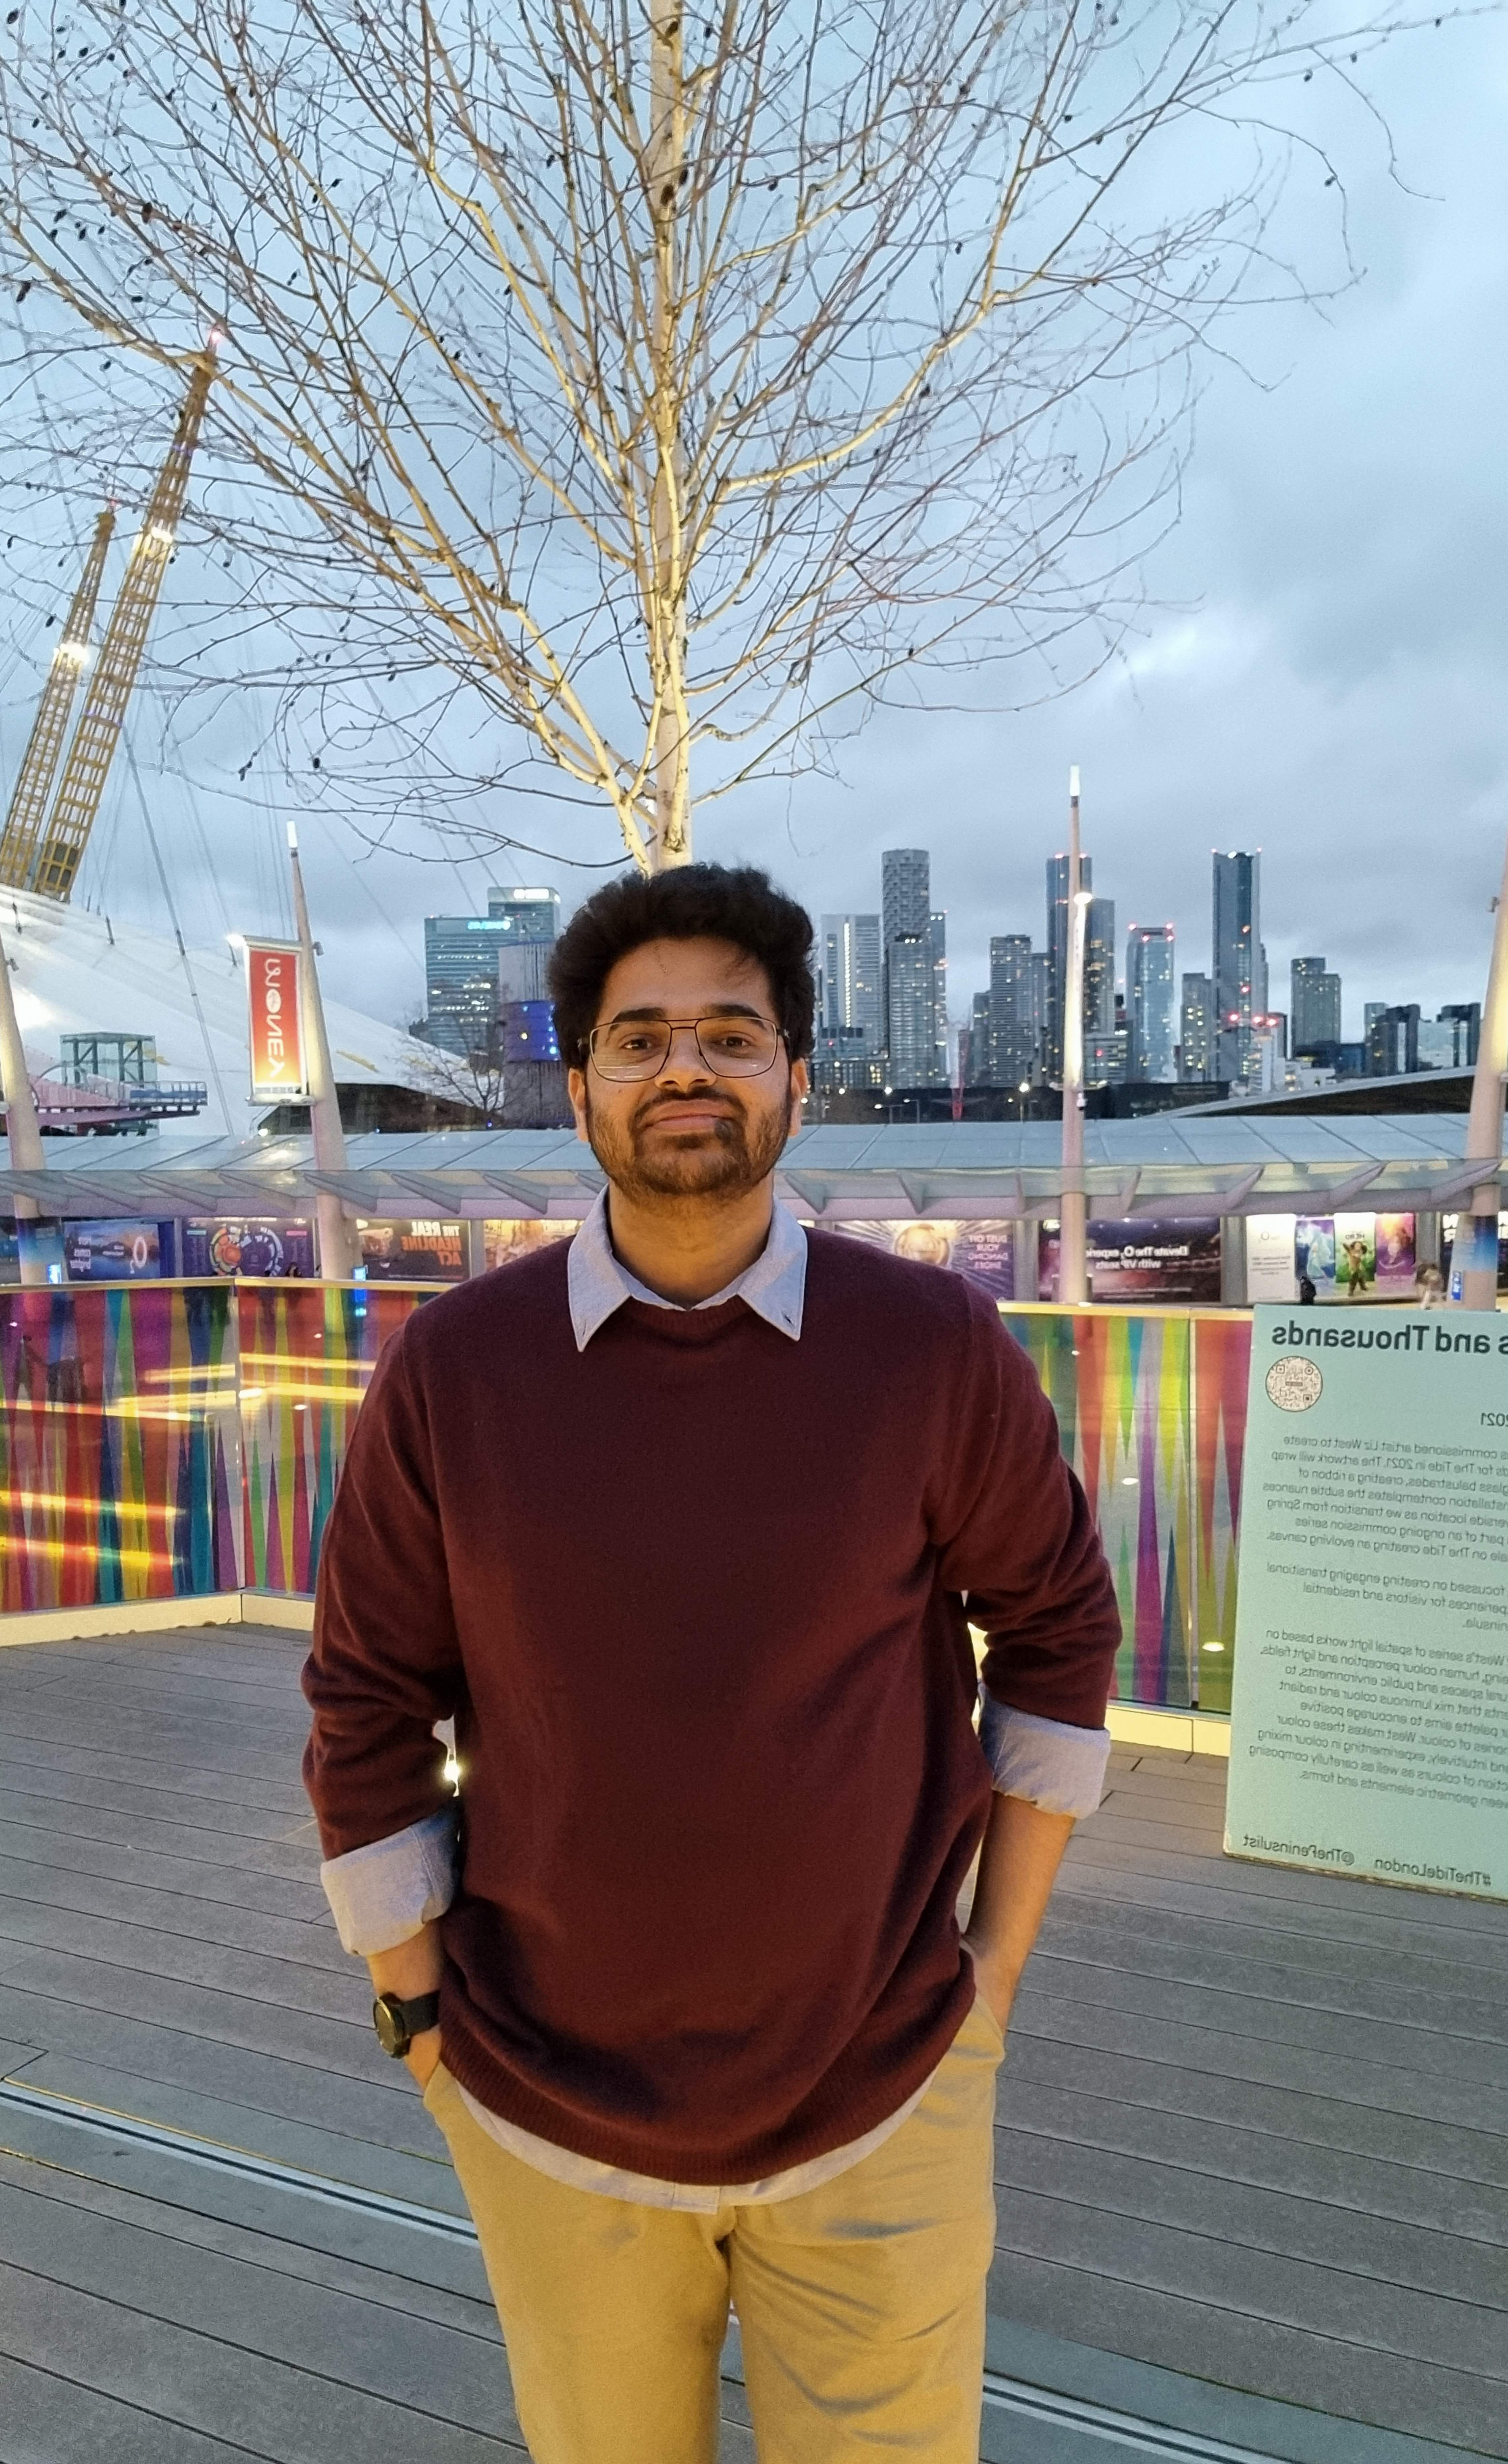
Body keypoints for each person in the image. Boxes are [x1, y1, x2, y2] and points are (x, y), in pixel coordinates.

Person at [302, 864, 1120, 2464]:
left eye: (733, 1036)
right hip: (544, 2107)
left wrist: (996, 1976)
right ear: (580, 1088)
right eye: (640, 1038)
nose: (686, 1068)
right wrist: (418, 2021)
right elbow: (367, 1698)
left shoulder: (932, 1349)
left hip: (891, 2092)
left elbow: (1058, 1627)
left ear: (798, 1079)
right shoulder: (459, 1371)